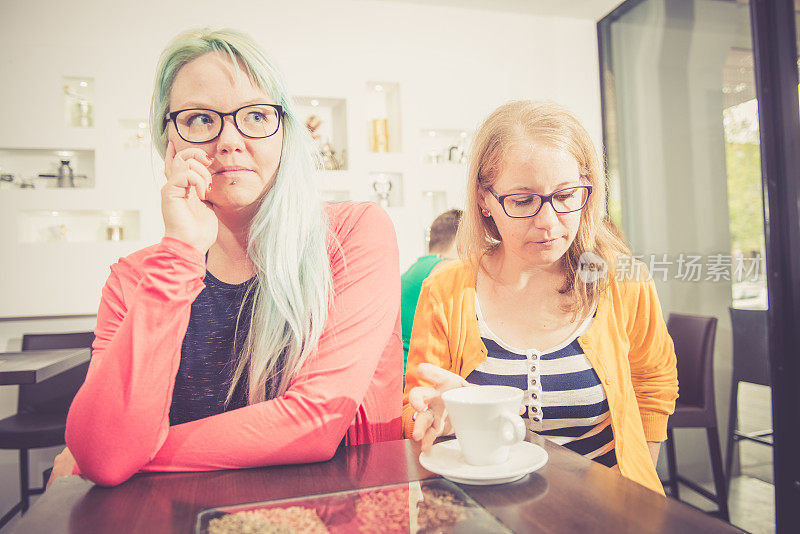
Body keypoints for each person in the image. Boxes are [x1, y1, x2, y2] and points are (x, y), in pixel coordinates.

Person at [51, 28, 402, 487]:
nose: (230, 140)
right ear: (168, 140)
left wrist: (131, 457)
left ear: (284, 131)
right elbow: (102, 449)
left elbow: (315, 422)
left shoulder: (352, 234)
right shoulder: (135, 280)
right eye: (199, 120)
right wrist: (180, 252)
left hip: (336, 511)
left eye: (256, 115)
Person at [403, 100, 678, 495]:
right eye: (522, 201)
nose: (548, 223)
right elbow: (415, 407)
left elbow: (654, 382)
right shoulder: (446, 289)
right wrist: (436, 417)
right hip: (484, 515)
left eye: (566, 196)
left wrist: (633, 491)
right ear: (484, 200)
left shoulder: (619, 277)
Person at [400, 209, 462, 371]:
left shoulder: (417, 268)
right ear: (463, 239)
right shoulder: (447, 268)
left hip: (403, 372)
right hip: (419, 374)